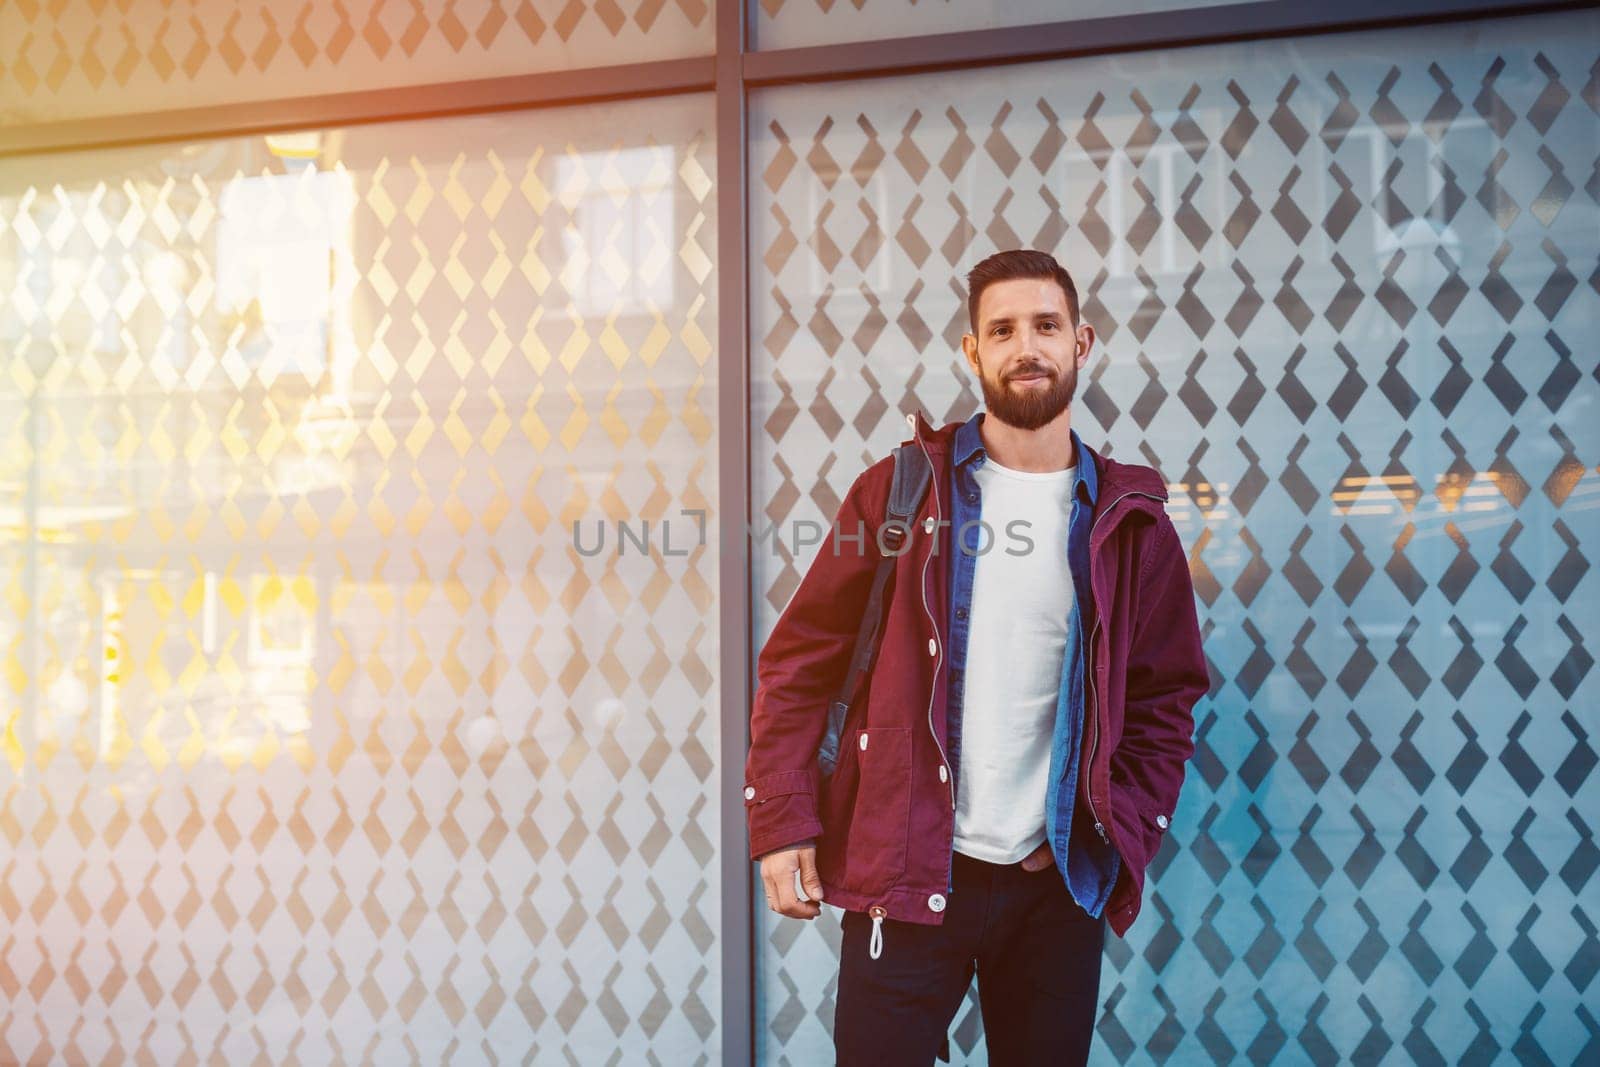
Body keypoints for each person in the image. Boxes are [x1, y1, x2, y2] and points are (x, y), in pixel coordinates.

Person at [742, 249, 1209, 1066]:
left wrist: (1117, 824)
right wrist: (782, 822)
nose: (1025, 345)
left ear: (1081, 342)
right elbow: (800, 662)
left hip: (1053, 883)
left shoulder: (1133, 521)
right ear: (973, 351)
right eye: (1002, 329)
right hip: (910, 870)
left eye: (1045, 325)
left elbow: (1166, 696)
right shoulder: (901, 490)